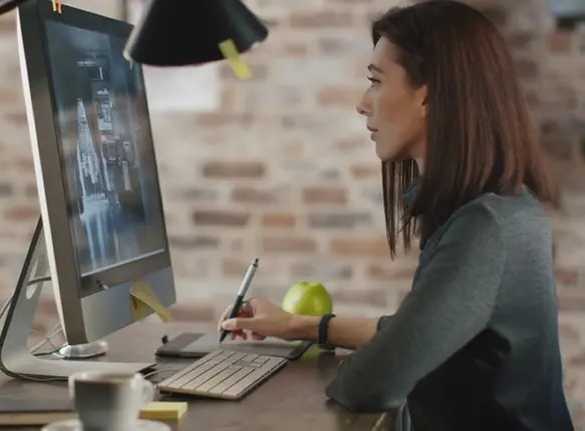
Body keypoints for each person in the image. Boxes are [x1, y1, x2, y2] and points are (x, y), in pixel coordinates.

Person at [217, 1, 575, 430]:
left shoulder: (487, 227)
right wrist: (295, 325)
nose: (362, 104)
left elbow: (374, 380)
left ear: (428, 95)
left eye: (376, 81)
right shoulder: (499, 208)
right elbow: (420, 329)